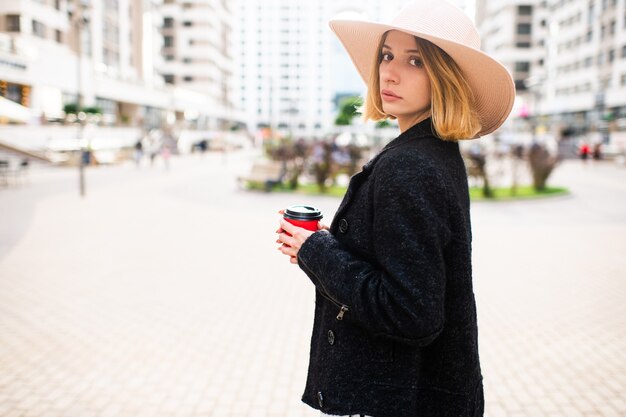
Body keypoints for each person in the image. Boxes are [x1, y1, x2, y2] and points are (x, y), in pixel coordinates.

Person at [275, 1, 514, 417]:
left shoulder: (410, 166)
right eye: (387, 54)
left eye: (415, 60)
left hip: (399, 400)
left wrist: (316, 251)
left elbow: (411, 311)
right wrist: (335, 242)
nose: (389, 71)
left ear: (445, 77)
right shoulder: (432, 153)